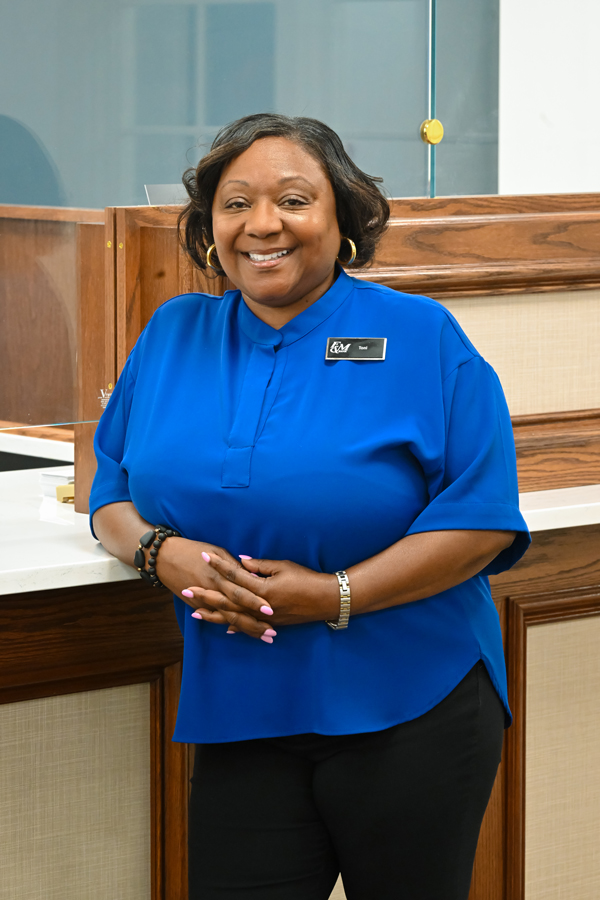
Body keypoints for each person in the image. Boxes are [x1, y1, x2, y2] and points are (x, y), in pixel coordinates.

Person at [90, 113, 530, 900]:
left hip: (410, 702)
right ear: (208, 225)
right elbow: (110, 492)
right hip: (241, 706)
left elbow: (482, 516)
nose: (263, 225)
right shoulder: (172, 332)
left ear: (342, 218)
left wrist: (334, 596)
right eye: (235, 204)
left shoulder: (419, 335)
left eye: (293, 200)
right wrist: (159, 552)